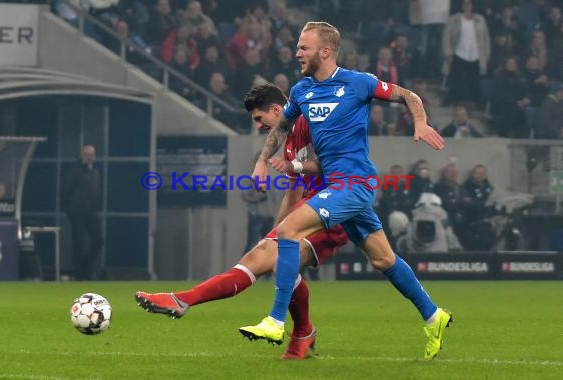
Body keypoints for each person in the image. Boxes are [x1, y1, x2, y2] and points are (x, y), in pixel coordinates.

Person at [240, 21, 451, 361]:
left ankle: (276, 321)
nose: (297, 53)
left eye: (303, 48)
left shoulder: (359, 82)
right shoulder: (301, 91)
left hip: (355, 184)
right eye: (297, 47)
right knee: (383, 258)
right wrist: (262, 162)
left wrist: (420, 121)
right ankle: (433, 315)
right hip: (337, 187)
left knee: (289, 230)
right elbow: (281, 127)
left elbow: (407, 95)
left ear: (324, 52)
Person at [135, 83, 349, 360]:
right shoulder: (290, 144)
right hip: (310, 210)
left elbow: (335, 165)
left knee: (384, 262)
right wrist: (275, 235)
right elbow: (293, 193)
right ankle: (302, 332)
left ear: (276, 110)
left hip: (334, 210)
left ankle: (298, 330)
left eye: (260, 119)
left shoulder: (312, 123)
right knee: (261, 260)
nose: (259, 126)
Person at [61, 145, 103, 281]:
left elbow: (96, 191)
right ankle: (79, 273)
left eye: (92, 155)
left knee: (98, 241)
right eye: (87, 155)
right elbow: (65, 190)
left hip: (91, 211)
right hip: (77, 212)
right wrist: (67, 208)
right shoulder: (74, 170)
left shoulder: (95, 171)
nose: (89, 157)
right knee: (78, 242)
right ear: (82, 155)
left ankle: (85, 266)